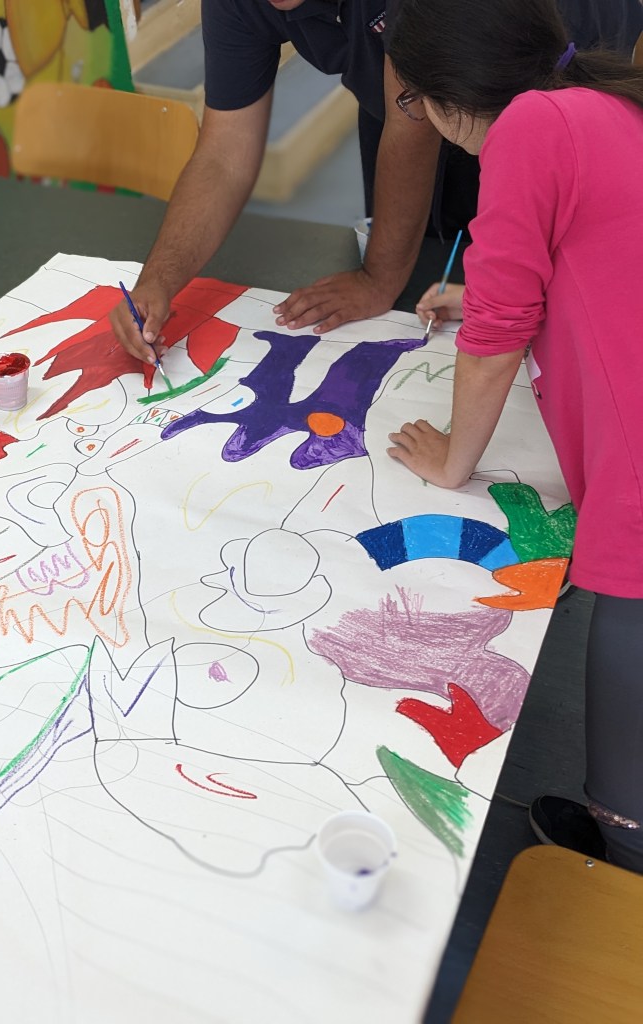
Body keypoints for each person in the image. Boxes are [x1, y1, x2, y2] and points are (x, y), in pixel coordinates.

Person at [386, 0, 643, 873]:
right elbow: (597, 247)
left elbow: (495, 343)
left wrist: (452, 457)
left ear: (448, 98)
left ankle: (622, 855)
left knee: (628, 648)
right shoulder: (597, 102)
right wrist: (495, 291)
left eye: (413, 102)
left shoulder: (528, 127)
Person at [110, 0, 643, 355]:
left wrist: (379, 280)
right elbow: (224, 153)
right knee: (439, 264)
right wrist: (158, 279)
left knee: (548, 274)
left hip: (529, 45)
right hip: (408, 86)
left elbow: (413, 130)